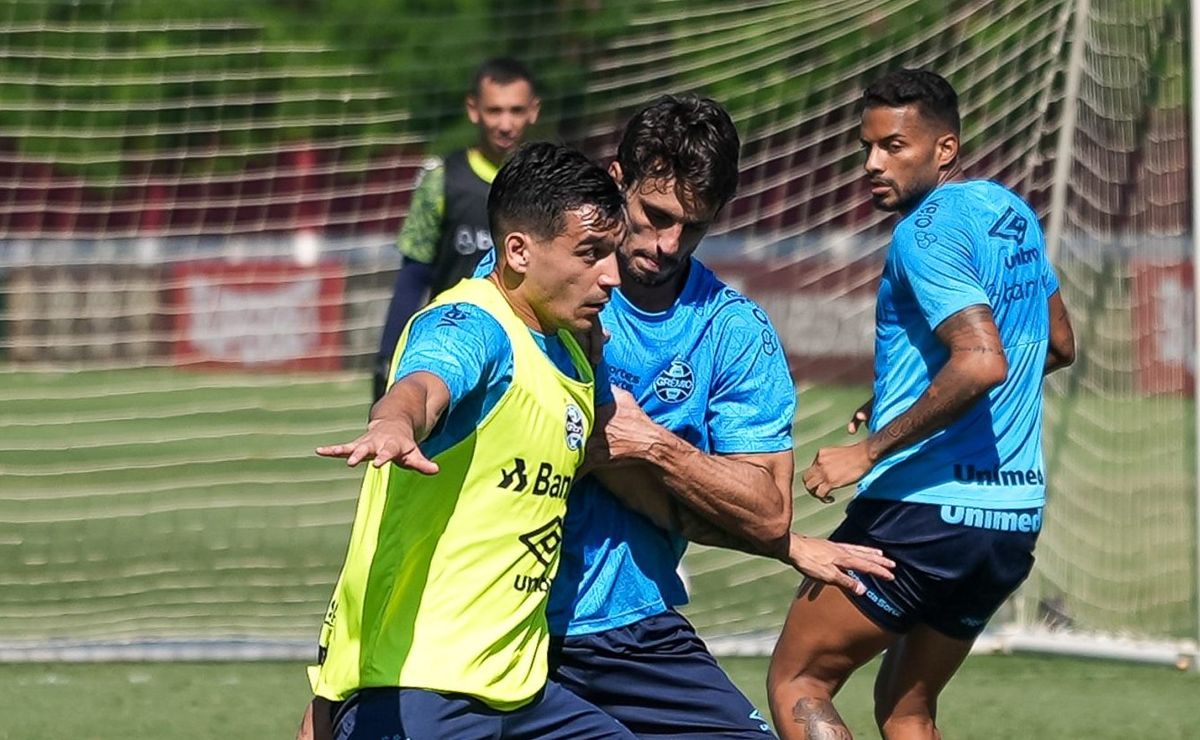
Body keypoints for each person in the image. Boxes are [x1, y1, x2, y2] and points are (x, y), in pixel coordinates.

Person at [539, 95, 896, 739]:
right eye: (654, 215)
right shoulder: (540, 281)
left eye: (694, 227)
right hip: (508, 620)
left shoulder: (732, 331)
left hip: (635, 627)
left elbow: (766, 509)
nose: (668, 243)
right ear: (617, 181)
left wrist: (654, 446)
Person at [766, 69, 1076, 740]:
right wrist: (901, 395)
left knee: (799, 681)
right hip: (1010, 522)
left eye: (894, 146)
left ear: (945, 148)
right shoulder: (1008, 211)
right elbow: (1056, 343)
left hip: (923, 517)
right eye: (867, 146)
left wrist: (867, 449)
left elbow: (982, 361)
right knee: (906, 707)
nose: (874, 164)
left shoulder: (922, 233)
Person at [303, 142, 633, 739]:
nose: (611, 275)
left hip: (520, 694)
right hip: (421, 687)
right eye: (590, 253)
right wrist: (396, 421)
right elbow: (425, 383)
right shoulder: (471, 322)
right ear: (517, 251)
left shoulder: (573, 352)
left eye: (613, 253)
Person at [373, 57, 541, 402]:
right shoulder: (442, 181)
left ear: (533, 110)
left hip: (529, 358)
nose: (506, 124)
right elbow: (414, 275)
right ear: (473, 109)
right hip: (452, 352)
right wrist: (387, 357)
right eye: (495, 111)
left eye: (516, 110)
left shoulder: (548, 186)